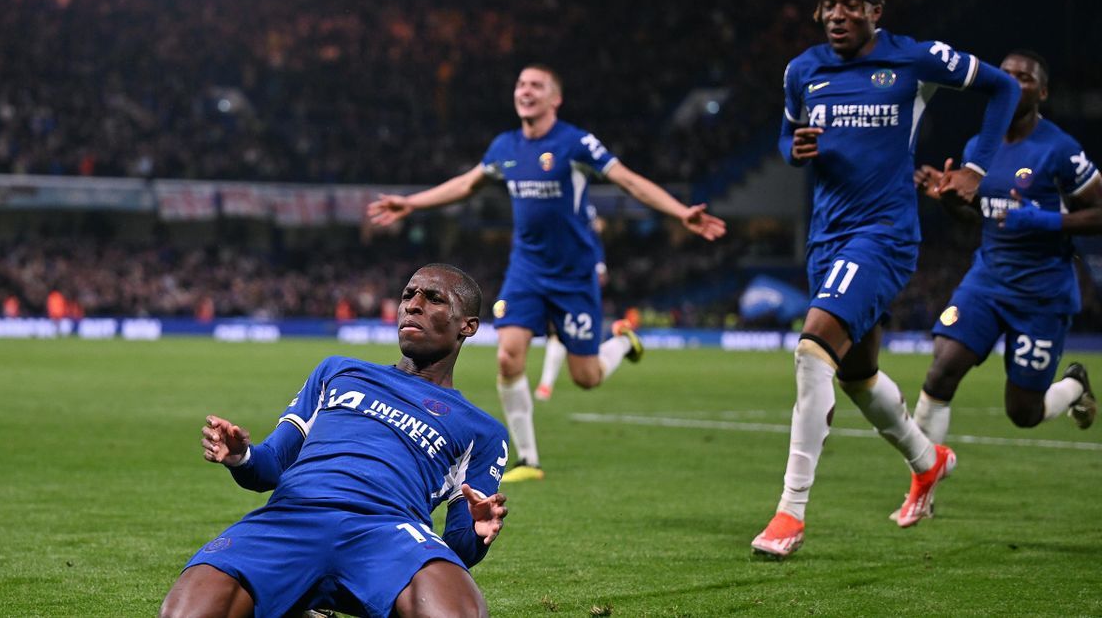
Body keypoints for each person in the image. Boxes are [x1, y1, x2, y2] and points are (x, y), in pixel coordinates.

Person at [751, 0, 1021, 558]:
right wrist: (792, 150)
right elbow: (787, 136)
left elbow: (1005, 87)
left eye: (853, 5)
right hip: (828, 238)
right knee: (855, 373)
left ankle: (789, 513)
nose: (839, 15)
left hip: (884, 235)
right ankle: (928, 461)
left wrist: (976, 166)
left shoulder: (914, 59)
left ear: (878, 10)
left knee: (812, 347)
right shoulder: (802, 71)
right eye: (830, 5)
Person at [368, 64, 726, 483]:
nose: (526, 90)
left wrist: (682, 212)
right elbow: (466, 184)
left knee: (586, 377)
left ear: (555, 99)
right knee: (508, 356)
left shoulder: (575, 143)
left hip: (575, 276)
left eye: (536, 85)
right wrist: (412, 204)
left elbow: (628, 180)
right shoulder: (505, 145)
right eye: (520, 83)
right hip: (528, 270)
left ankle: (622, 343)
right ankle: (529, 460)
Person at [160, 263, 510, 618]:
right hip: (290, 519)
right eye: (408, 295)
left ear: (468, 325)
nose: (412, 305)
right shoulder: (339, 372)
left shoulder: (482, 430)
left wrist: (478, 530)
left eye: (433, 299)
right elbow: (271, 467)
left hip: (388, 531)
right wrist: (241, 456)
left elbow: (459, 547)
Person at [900, 50, 1099, 521]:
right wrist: (947, 199)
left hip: (1041, 294)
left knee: (1023, 412)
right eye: (1005, 75)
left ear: (1041, 93)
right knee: (941, 369)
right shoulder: (978, 148)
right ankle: (922, 489)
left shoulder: (1060, 150)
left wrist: (1046, 220)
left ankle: (1072, 385)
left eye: (1024, 78)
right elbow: (975, 216)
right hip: (986, 280)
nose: (1012, 82)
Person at [536, 205, 608, 401]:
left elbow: (593, 239)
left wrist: (599, 266)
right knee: (555, 332)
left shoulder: (584, 208)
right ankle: (545, 385)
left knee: (586, 374)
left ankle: (623, 342)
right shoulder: (540, 198)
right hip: (545, 275)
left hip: (575, 280)